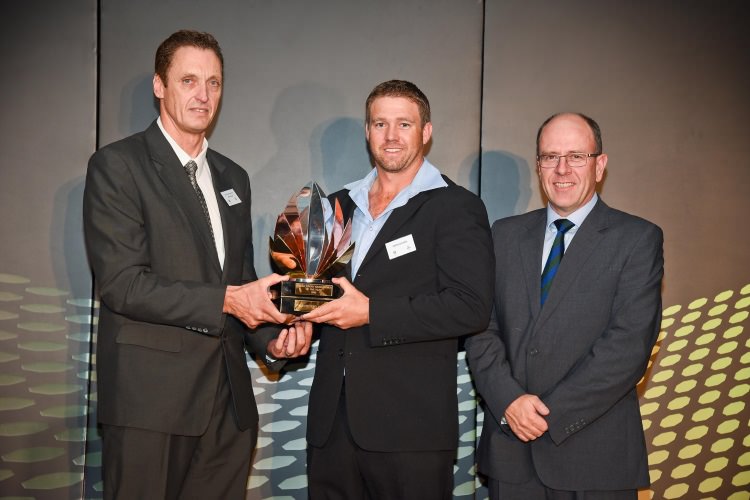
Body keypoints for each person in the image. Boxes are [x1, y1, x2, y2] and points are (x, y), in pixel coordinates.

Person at [82, 30, 312, 500]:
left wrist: (275, 340)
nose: (203, 95)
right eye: (189, 80)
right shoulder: (118, 166)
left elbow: (241, 282)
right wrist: (231, 299)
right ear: (159, 86)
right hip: (151, 404)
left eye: (214, 83)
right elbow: (123, 284)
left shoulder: (234, 177)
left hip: (227, 408)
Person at [302, 80, 495, 499]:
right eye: (380, 124)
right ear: (367, 131)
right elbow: (321, 295)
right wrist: (297, 327)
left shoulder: (455, 207)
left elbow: (471, 307)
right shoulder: (338, 205)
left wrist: (372, 312)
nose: (391, 136)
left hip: (411, 432)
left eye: (403, 124)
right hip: (332, 426)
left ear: (426, 132)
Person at [465, 112, 664, 499]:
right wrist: (509, 403)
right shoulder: (503, 235)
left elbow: (628, 348)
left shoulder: (638, 239)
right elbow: (480, 328)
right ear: (538, 165)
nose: (562, 169)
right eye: (550, 156)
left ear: (600, 165)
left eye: (576, 156)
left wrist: (546, 415)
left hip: (595, 457)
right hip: (511, 452)